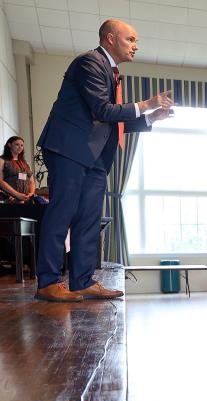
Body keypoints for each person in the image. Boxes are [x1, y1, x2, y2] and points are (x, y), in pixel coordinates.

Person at [35, 19, 174, 302]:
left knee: (89, 219)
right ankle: (48, 282)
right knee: (62, 214)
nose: (136, 46)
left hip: (95, 157)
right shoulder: (90, 62)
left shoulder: (110, 72)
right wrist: (146, 104)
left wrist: (150, 118)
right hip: (70, 150)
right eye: (130, 39)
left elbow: (109, 121)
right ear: (110, 39)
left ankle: (82, 281)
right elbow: (102, 110)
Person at [0, 136, 36, 203]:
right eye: (17, 144)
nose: (20, 147)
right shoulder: (2, 160)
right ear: (9, 145)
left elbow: (31, 182)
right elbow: (0, 181)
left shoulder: (25, 163)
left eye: (22, 145)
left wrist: (31, 194)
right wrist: (16, 195)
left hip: (26, 200)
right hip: (8, 199)